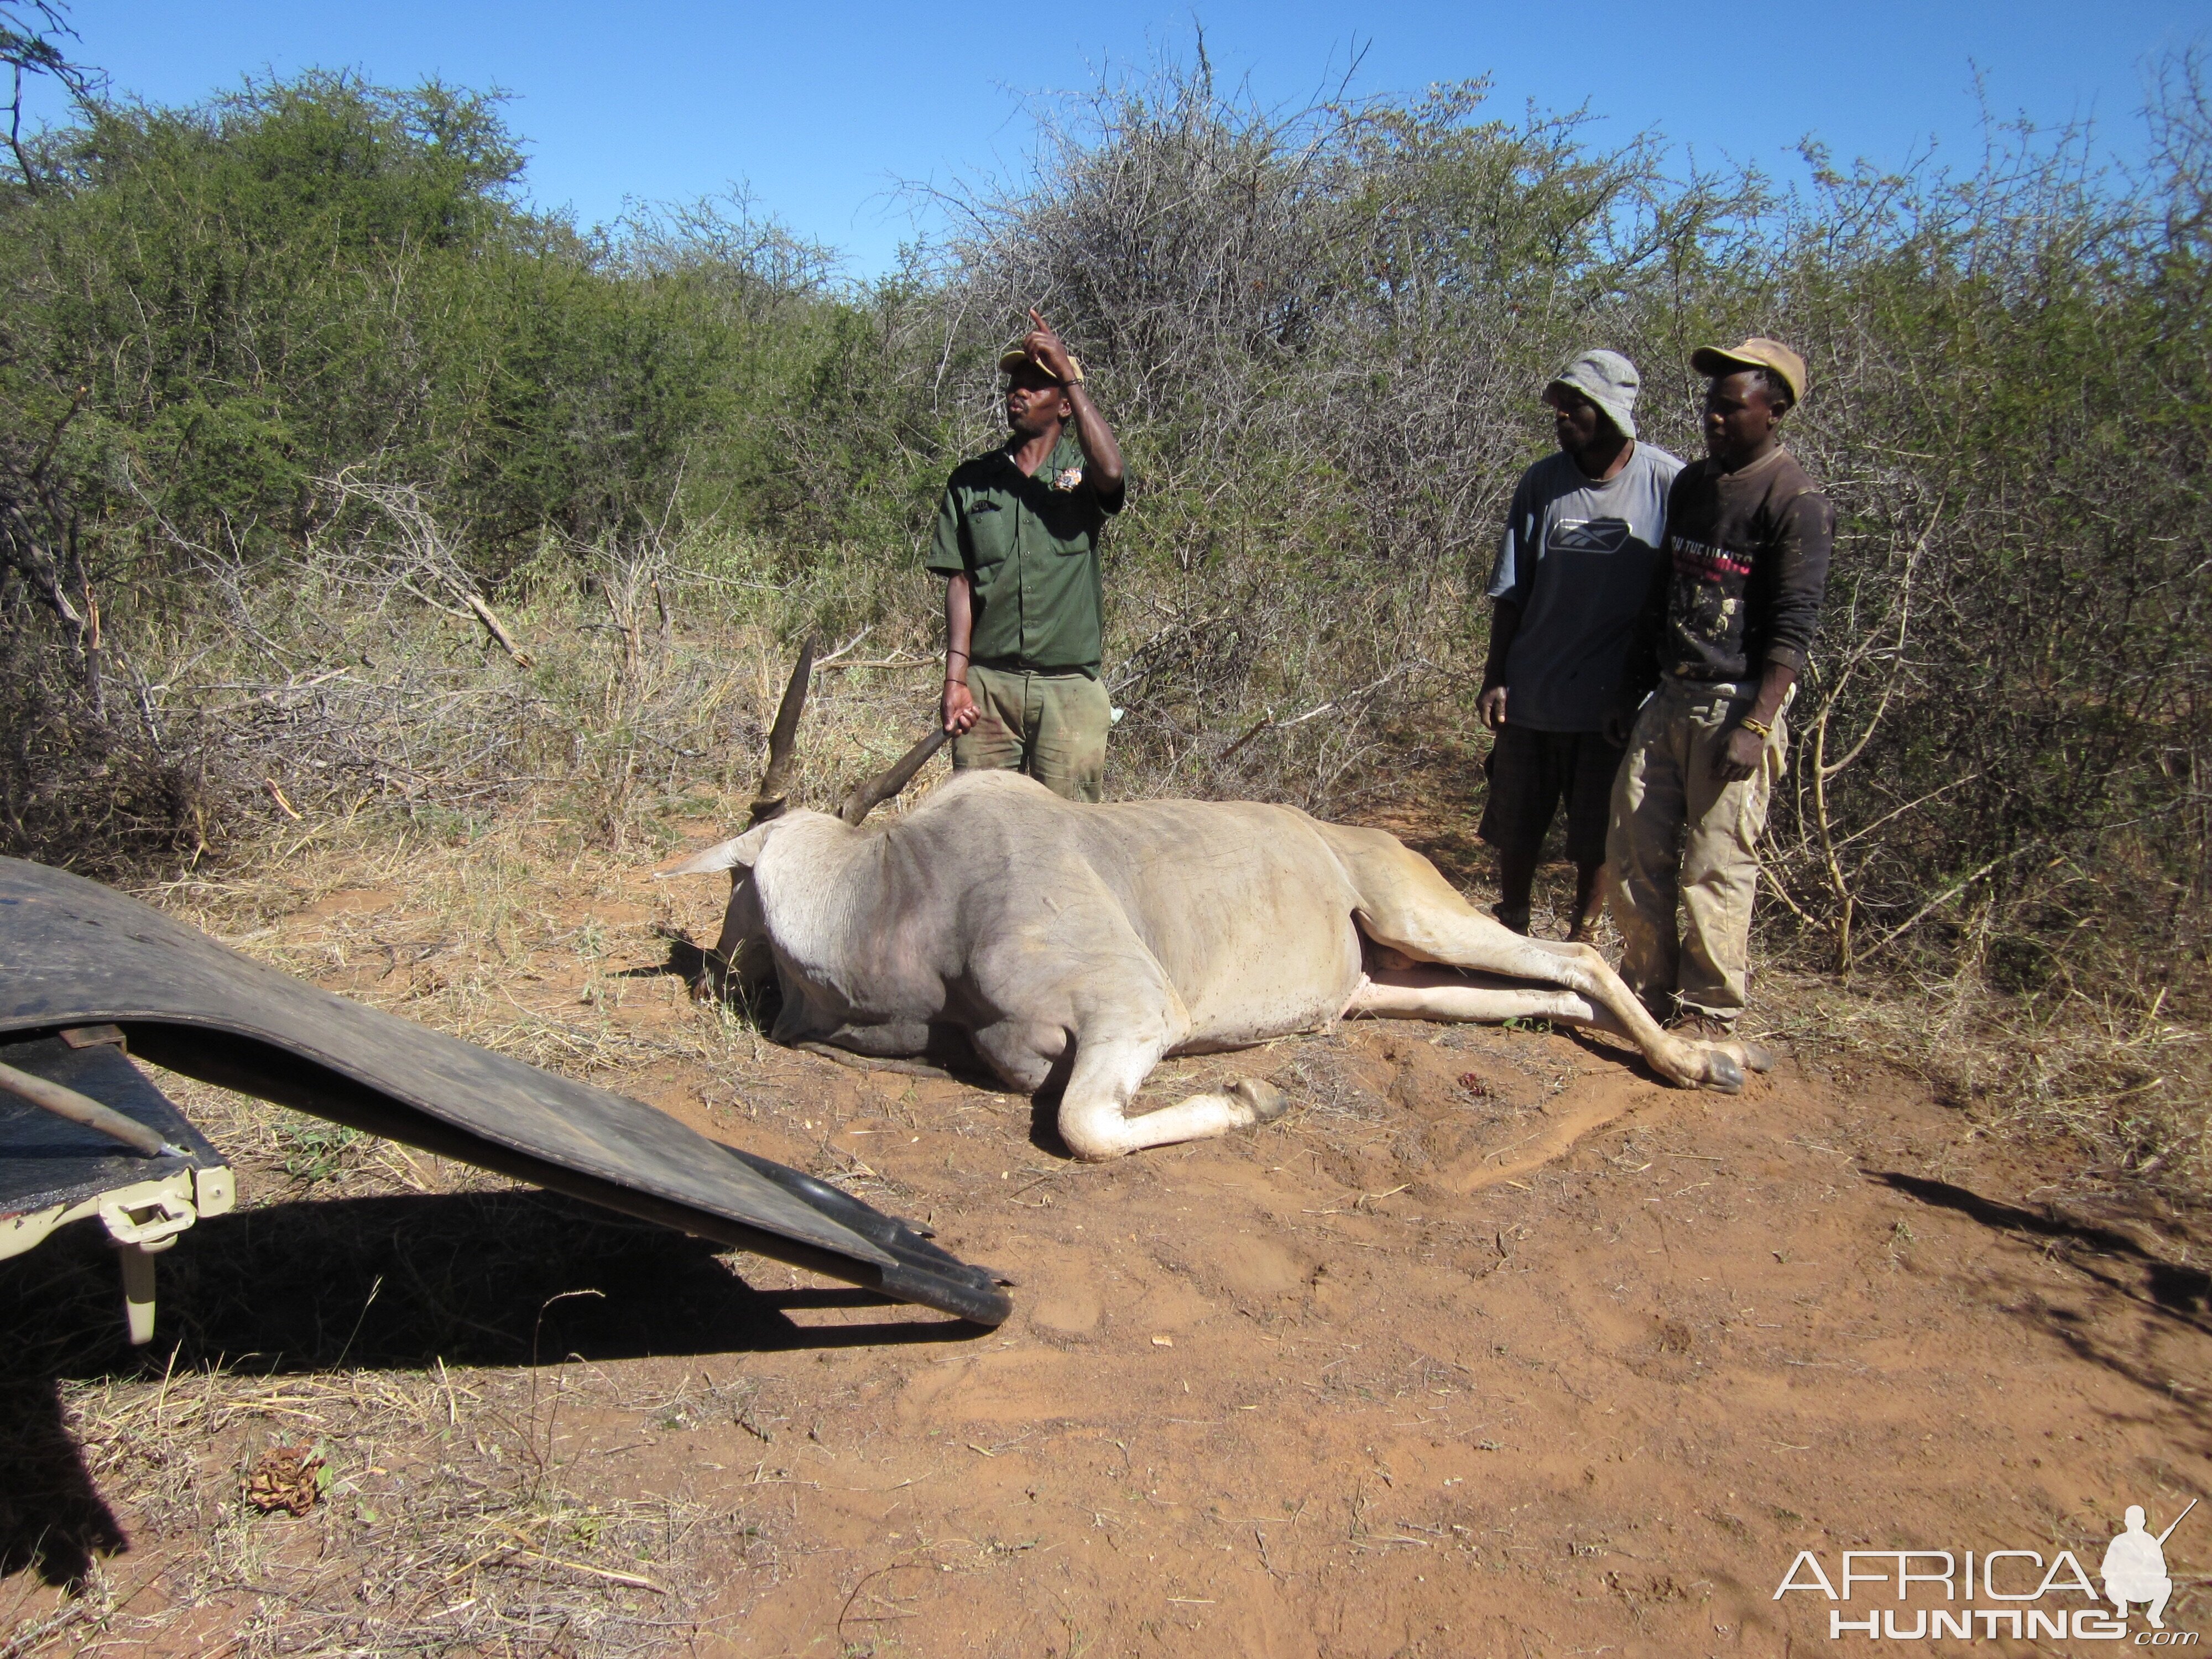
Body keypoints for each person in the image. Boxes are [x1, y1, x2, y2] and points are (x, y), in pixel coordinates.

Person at [1606, 337, 1833, 1035]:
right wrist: (1631, 687)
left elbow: (1793, 629)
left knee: (1716, 862)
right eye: (1711, 404)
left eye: (1733, 407)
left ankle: (1708, 1012)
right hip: (1670, 694)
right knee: (1633, 847)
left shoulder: (1794, 500)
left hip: (1735, 702)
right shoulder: (1695, 486)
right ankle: (1647, 988)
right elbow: (1662, 592)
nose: (1715, 418)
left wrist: (1757, 725)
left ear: (1776, 411)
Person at [1478, 349, 1682, 940]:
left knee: (1597, 835)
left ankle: (1580, 942)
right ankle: (1511, 927)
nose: (1561, 416)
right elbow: (1510, 592)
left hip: (1614, 707)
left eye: (1575, 406)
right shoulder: (1542, 483)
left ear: (1612, 413)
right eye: (1559, 406)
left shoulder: (1667, 483)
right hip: (1534, 692)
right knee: (1517, 824)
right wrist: (1495, 677)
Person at [926, 310, 1126, 801]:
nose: (1018, 393)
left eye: (1036, 386)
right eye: (1015, 385)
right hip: (989, 688)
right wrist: (955, 681)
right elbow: (961, 584)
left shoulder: (1082, 475)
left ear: (1062, 405)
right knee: (978, 833)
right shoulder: (971, 481)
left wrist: (1070, 376)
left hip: (1070, 691)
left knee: (1070, 841)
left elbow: (1113, 469)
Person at [2101, 1505, 2175, 1628]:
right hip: (2123, 1587)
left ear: (2144, 1522)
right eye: (2131, 1521)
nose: (2135, 1524)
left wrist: (2148, 1568)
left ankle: (2154, 1615)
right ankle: (2122, 1606)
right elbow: (2107, 1569)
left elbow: (2162, 1571)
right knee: (2111, 1584)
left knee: (2166, 1584)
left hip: (2143, 1587)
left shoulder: (2151, 1542)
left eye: (2138, 1520)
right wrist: (2123, 1573)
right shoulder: (2119, 1541)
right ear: (2126, 1522)